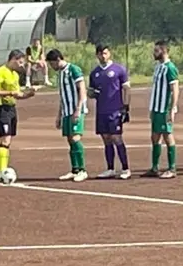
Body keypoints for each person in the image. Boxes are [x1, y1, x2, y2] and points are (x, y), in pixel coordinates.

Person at [0, 50, 35, 180]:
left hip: (12, 109)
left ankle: (2, 170)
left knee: (8, 140)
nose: (21, 65)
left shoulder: (15, 75)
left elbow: (17, 94)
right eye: (20, 62)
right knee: (5, 139)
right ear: (13, 59)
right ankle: (1, 171)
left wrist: (28, 95)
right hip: (1, 108)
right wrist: (9, 93)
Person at [88, 45, 131, 179]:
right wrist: (91, 93)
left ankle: (125, 169)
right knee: (106, 139)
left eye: (105, 53)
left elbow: (126, 89)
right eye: (100, 54)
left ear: (109, 53)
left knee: (116, 138)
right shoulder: (94, 73)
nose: (103, 56)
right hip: (102, 111)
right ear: (97, 55)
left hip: (115, 110)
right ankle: (110, 168)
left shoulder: (119, 69)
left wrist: (125, 106)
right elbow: (91, 91)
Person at [46, 49, 88, 182]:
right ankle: (75, 169)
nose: (51, 67)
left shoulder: (73, 70)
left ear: (58, 59)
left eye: (52, 63)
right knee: (70, 140)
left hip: (76, 110)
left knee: (75, 139)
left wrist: (78, 109)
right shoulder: (60, 74)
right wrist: (59, 115)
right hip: (66, 111)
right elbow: (63, 96)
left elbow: (82, 90)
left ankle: (82, 170)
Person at [145, 40, 180, 179]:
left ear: (164, 51)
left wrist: (172, 109)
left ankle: (172, 168)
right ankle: (155, 167)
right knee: (155, 136)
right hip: (156, 108)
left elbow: (175, 89)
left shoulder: (170, 68)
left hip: (164, 108)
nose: (154, 53)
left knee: (167, 136)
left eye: (156, 50)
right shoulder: (158, 67)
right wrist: (152, 108)